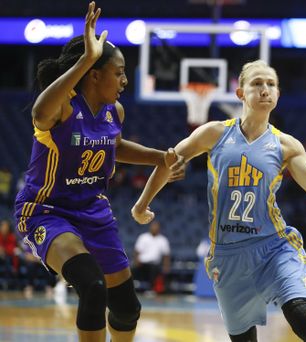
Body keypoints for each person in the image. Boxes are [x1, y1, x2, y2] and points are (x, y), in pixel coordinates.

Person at [132, 59, 306, 341]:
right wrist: (142, 204)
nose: (265, 89)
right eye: (257, 83)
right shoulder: (214, 133)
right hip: (228, 255)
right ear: (240, 93)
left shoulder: (287, 146)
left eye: (271, 84)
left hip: (274, 247)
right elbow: (166, 160)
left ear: (278, 96)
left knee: (302, 313)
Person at [13, 2, 184, 342]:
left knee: (127, 308)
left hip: (93, 211)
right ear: (93, 73)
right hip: (47, 212)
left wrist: (159, 158)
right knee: (92, 286)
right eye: (118, 72)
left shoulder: (113, 111)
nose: (124, 80)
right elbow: (39, 110)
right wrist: (85, 58)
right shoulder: (62, 107)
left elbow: (115, 148)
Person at [132, 220, 170, 293]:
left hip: (154, 265)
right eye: (153, 226)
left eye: (156, 226)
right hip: (142, 263)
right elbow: (137, 252)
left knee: (154, 270)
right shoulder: (143, 237)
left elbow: (166, 255)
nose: (155, 228)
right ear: (150, 227)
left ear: (159, 228)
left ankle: (151, 289)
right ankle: (130, 289)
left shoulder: (163, 240)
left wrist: (166, 266)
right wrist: (136, 262)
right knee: (130, 270)